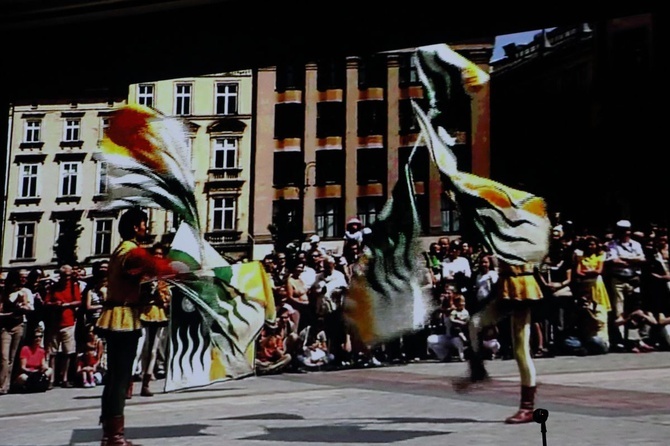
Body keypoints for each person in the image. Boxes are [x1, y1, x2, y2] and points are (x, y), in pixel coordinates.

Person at [95, 208, 179, 446]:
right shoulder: (131, 252)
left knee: (116, 377)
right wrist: (181, 269)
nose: (146, 227)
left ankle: (111, 433)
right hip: (123, 316)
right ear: (134, 227)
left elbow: (137, 280)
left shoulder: (121, 250)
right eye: (144, 223)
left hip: (120, 312)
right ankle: (114, 436)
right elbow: (155, 268)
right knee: (120, 377)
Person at [455, 259, 545, 424]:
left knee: (521, 349)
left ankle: (527, 407)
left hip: (522, 285)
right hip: (505, 285)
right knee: (475, 323)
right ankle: (478, 370)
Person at [13, 327, 52, 393]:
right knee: (23, 377)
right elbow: (23, 367)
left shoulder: (41, 350)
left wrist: (45, 367)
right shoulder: (25, 349)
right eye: (36, 337)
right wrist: (32, 371)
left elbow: (43, 364)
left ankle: (40, 385)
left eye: (40, 337)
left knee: (50, 370)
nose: (38, 339)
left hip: (37, 373)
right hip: (28, 373)